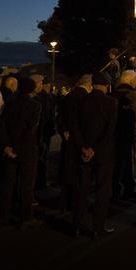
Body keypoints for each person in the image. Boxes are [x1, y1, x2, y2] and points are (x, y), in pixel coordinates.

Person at [73, 73, 117, 237]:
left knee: (82, 189)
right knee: (102, 191)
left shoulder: (81, 101)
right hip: (103, 153)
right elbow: (109, 130)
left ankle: (77, 225)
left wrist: (84, 147)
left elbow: (75, 126)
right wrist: (95, 149)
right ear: (106, 85)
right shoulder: (111, 103)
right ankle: (98, 227)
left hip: (83, 151)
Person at [0, 77, 42, 228]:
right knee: (26, 185)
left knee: (8, 183)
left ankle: (2, 216)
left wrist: (7, 146)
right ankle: (25, 217)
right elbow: (30, 130)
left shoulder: (9, 103)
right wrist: (17, 148)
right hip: (26, 149)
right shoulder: (35, 105)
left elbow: (2, 125)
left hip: (9, 149)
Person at [57, 75, 91, 214]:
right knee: (80, 175)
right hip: (80, 140)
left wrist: (64, 131)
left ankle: (65, 203)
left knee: (67, 172)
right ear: (89, 85)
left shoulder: (68, 97)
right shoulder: (86, 99)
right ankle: (78, 206)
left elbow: (59, 117)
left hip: (67, 140)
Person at [112, 70, 136, 201]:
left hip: (114, 134)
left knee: (116, 162)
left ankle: (115, 188)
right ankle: (129, 188)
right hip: (127, 134)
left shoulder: (113, 93)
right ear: (130, 80)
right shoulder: (132, 94)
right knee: (128, 162)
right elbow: (135, 116)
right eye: (134, 80)